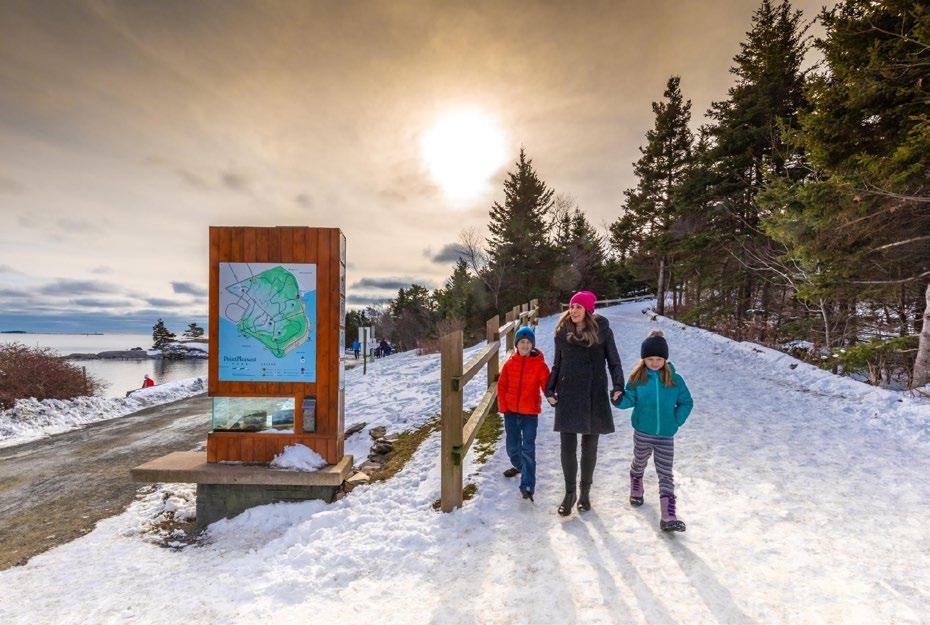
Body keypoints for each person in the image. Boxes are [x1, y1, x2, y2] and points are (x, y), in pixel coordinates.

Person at [546, 291, 624, 516]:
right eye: (572, 306)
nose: (574, 311)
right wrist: (550, 389)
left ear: (588, 310)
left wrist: (618, 385)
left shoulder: (602, 331)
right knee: (567, 447)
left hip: (593, 393)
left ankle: (585, 493)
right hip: (568, 393)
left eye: (579, 307)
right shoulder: (562, 332)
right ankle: (569, 494)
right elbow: (557, 364)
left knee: (589, 448)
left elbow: (614, 361)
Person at [614, 329, 693, 532]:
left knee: (665, 472)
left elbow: (686, 402)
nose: (655, 363)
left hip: (666, 434)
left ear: (665, 359)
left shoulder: (675, 380)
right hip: (643, 431)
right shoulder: (637, 379)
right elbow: (629, 399)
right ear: (644, 359)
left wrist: (675, 421)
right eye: (650, 359)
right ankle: (636, 481)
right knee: (640, 461)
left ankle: (668, 515)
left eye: (659, 359)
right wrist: (618, 399)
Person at [497, 325, 550, 501]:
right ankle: (520, 467)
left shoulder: (540, 365)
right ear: (517, 345)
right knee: (512, 448)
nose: (525, 345)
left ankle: (527, 485)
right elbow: (502, 386)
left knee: (528, 449)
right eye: (522, 342)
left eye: (528, 342)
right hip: (511, 413)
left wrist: (552, 396)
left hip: (530, 415)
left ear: (532, 345)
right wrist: (504, 407)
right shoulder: (509, 364)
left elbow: (547, 385)